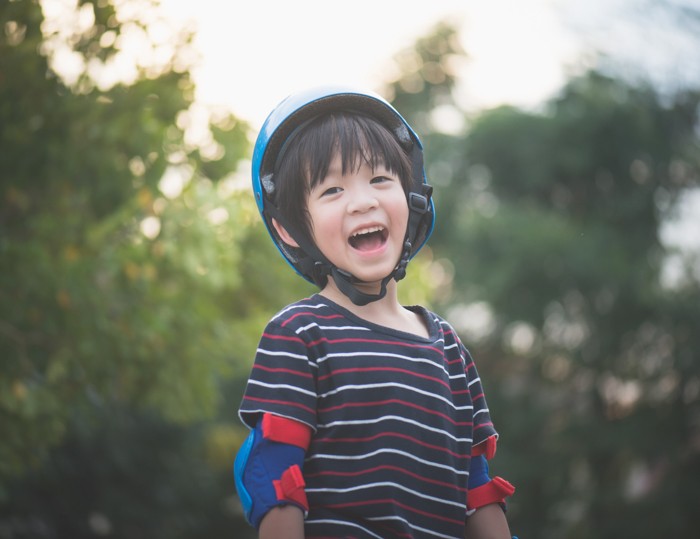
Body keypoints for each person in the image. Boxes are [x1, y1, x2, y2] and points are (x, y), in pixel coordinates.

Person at [234, 86, 516, 539]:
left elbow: (477, 490)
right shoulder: (300, 334)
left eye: (381, 179)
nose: (363, 201)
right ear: (288, 228)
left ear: (413, 199)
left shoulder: (447, 348)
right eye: (332, 189)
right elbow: (274, 480)